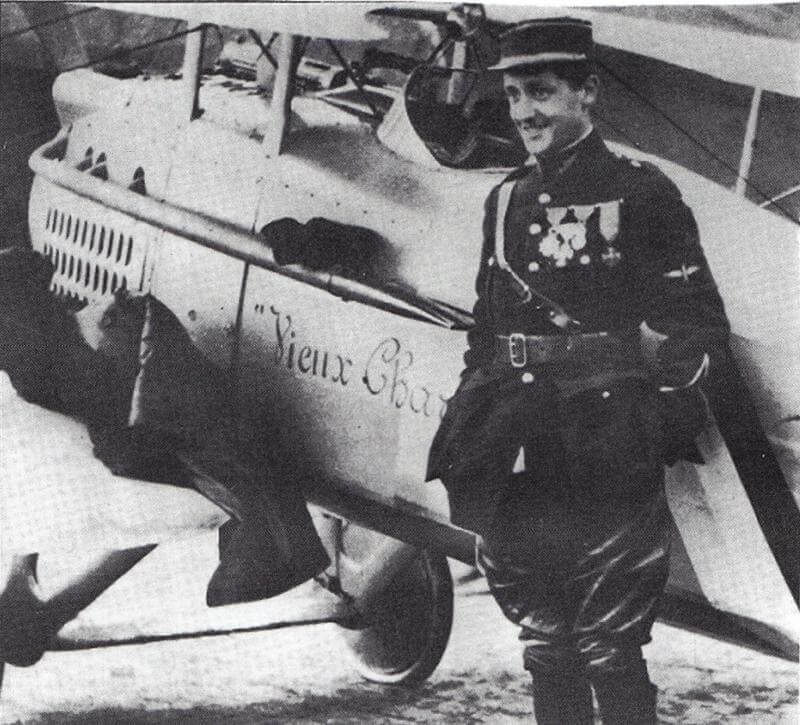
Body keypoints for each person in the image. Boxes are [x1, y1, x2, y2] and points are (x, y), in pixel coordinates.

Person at [426, 18, 730, 724]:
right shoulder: (505, 198)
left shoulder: (642, 192)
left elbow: (694, 322)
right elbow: (487, 325)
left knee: (610, 638)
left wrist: (654, 417)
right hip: (515, 433)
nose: (524, 112)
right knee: (543, 635)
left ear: (586, 91)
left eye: (540, 91)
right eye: (513, 96)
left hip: (606, 436)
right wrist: (474, 406)